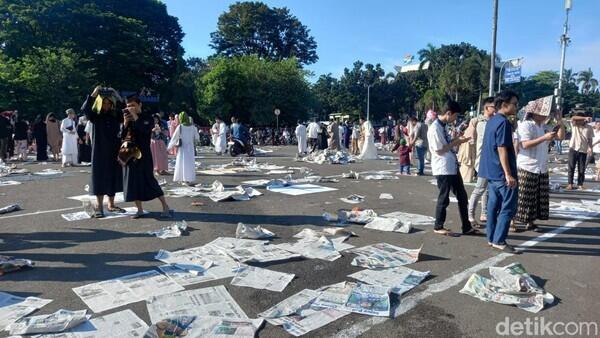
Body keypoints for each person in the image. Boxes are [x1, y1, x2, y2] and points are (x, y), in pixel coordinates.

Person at [427, 100, 479, 237]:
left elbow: (447, 143)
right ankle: (438, 225)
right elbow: (439, 150)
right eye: (455, 116)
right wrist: (457, 142)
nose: (455, 119)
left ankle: (466, 226)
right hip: (443, 168)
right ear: (448, 113)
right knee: (444, 198)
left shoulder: (443, 126)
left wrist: (457, 139)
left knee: (462, 196)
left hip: (451, 166)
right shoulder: (435, 128)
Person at [479, 90, 521, 253]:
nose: (516, 107)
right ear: (504, 105)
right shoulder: (503, 123)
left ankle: (491, 237)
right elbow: (502, 148)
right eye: (514, 104)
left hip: (490, 171)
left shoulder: (492, 120)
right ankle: (499, 239)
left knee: (493, 205)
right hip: (500, 172)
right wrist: (508, 174)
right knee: (509, 206)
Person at [514, 99, 565, 232]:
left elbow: (560, 136)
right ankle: (511, 222)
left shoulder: (543, 126)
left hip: (541, 166)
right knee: (521, 197)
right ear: (535, 113)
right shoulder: (526, 125)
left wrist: (559, 121)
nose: (546, 116)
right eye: (544, 113)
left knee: (535, 198)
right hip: (527, 166)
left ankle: (530, 222)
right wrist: (544, 138)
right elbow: (524, 144)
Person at [121, 95, 171, 219]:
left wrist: (136, 116)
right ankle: (139, 210)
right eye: (128, 106)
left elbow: (145, 130)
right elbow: (122, 136)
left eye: (133, 105)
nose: (130, 108)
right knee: (132, 182)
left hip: (144, 154)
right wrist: (125, 123)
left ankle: (165, 206)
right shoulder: (128, 118)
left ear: (140, 105)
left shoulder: (147, 118)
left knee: (149, 180)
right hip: (130, 154)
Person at [82, 86, 125, 218]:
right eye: (104, 103)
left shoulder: (115, 115)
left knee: (113, 176)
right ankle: (100, 207)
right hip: (99, 151)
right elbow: (85, 109)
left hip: (113, 150)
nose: (106, 105)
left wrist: (117, 95)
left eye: (108, 103)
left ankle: (111, 204)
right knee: (99, 178)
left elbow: (125, 111)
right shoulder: (95, 116)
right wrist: (93, 94)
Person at [467, 97, 496, 228]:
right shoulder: (478, 121)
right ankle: (470, 216)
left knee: (486, 190)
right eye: (494, 107)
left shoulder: (494, 121)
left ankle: (484, 213)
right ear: (486, 108)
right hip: (483, 160)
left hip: (492, 160)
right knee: (479, 188)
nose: (496, 110)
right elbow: (471, 140)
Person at [168, 112, 199, 185]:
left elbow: (174, 138)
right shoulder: (193, 127)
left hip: (183, 148)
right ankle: (189, 179)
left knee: (182, 163)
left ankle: (183, 178)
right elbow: (197, 138)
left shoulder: (180, 127)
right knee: (190, 163)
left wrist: (169, 147)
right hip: (190, 147)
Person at [566, 113, 594, 190]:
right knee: (571, 167)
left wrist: (590, 148)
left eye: (581, 120)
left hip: (583, 149)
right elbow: (573, 117)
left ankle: (580, 184)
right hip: (573, 148)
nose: (579, 121)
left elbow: (590, 139)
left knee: (581, 168)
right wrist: (585, 117)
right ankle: (570, 184)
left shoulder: (589, 127)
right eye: (579, 119)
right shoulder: (574, 124)